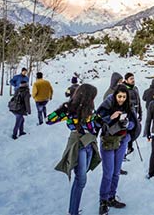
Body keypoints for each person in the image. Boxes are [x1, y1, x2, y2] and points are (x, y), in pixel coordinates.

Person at [46, 84, 102, 215]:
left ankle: (73, 210)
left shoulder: (90, 108)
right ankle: (73, 211)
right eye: (93, 96)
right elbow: (48, 120)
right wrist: (62, 110)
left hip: (90, 144)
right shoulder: (70, 110)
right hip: (79, 145)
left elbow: (95, 120)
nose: (94, 99)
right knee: (81, 179)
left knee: (82, 177)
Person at [96, 85, 140, 214]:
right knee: (108, 173)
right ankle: (103, 200)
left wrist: (128, 124)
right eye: (119, 96)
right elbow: (98, 121)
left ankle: (111, 197)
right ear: (115, 95)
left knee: (116, 172)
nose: (121, 99)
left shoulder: (129, 107)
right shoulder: (107, 105)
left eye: (124, 97)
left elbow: (134, 124)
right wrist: (112, 117)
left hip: (122, 141)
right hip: (109, 142)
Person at [122, 72, 142, 156]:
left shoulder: (135, 88)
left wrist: (140, 113)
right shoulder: (124, 90)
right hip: (128, 113)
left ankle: (129, 147)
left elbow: (139, 101)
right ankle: (124, 149)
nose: (133, 80)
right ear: (126, 80)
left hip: (135, 112)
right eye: (131, 79)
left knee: (133, 130)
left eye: (133, 78)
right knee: (127, 131)